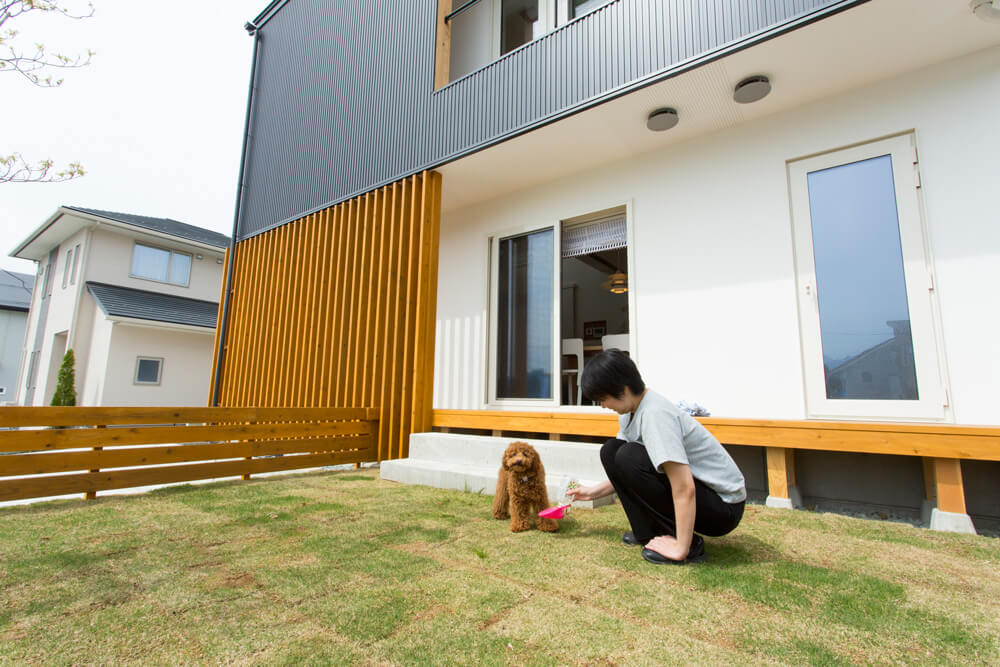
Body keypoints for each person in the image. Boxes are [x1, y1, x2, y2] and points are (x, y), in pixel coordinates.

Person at [566, 349, 746, 564]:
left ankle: (688, 544)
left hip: (723, 507)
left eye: (603, 399)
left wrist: (681, 548)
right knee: (612, 450)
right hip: (703, 497)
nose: (603, 406)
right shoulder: (631, 412)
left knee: (628, 454)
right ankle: (648, 534)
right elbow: (625, 471)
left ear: (622, 390)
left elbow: (684, 486)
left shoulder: (655, 415)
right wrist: (593, 491)